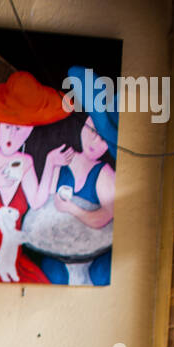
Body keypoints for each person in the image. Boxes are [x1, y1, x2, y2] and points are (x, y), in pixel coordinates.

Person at [0, 70, 73, 283]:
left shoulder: (26, 161)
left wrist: (50, 163)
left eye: (20, 129)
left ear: (29, 130)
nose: (12, 135)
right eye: (8, 126)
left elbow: (36, 202)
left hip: (12, 262)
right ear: (0, 122)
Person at [38, 65, 117, 285]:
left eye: (105, 140)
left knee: (102, 275)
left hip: (93, 258)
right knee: (50, 272)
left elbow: (104, 218)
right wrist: (49, 164)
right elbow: (40, 202)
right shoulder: (63, 158)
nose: (96, 142)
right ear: (85, 123)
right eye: (93, 130)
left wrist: (71, 208)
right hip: (61, 251)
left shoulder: (104, 174)